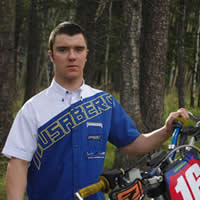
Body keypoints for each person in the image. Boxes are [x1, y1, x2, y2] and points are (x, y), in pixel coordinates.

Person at [2, 21, 189, 200]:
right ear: (51, 55)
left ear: (86, 54)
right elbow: (18, 164)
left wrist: (167, 130)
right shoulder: (33, 109)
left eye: (78, 49)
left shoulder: (104, 103)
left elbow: (135, 144)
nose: (72, 56)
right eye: (63, 50)